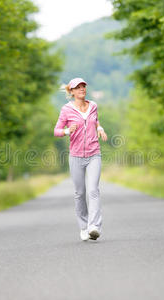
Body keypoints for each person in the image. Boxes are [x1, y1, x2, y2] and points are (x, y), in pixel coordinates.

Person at [54, 78, 108, 241]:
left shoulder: (93, 106)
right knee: (80, 193)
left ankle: (94, 227)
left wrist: (99, 127)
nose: (82, 89)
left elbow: (95, 120)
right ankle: (84, 227)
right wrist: (66, 131)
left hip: (94, 154)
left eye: (83, 86)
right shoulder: (66, 110)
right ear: (71, 92)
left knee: (93, 190)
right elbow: (56, 131)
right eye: (78, 87)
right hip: (76, 156)